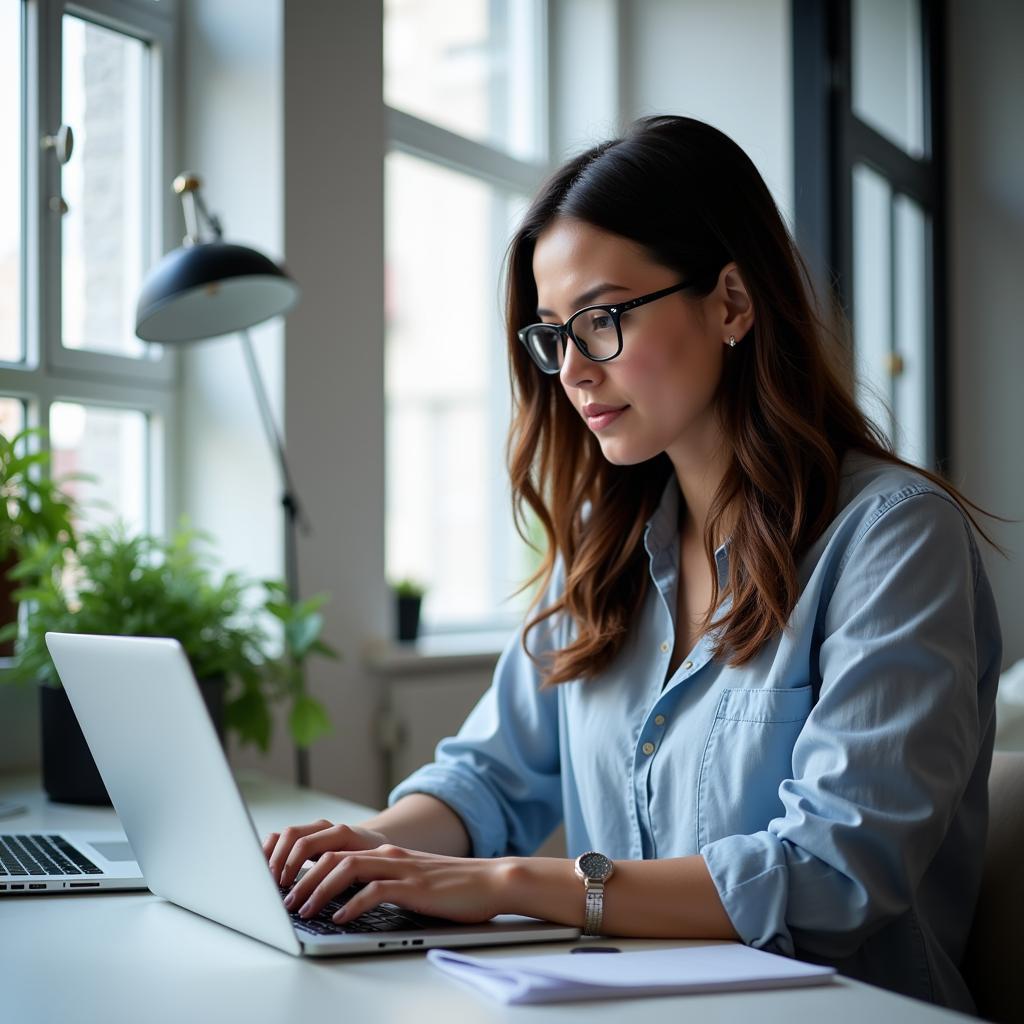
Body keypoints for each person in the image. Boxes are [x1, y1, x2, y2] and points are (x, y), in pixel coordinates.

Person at [263, 115, 1004, 1013]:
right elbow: (487, 778)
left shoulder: (891, 537)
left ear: (731, 302)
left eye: (602, 319)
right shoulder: (607, 551)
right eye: (551, 334)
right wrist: (362, 858)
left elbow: (834, 872)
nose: (571, 371)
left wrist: (513, 884)